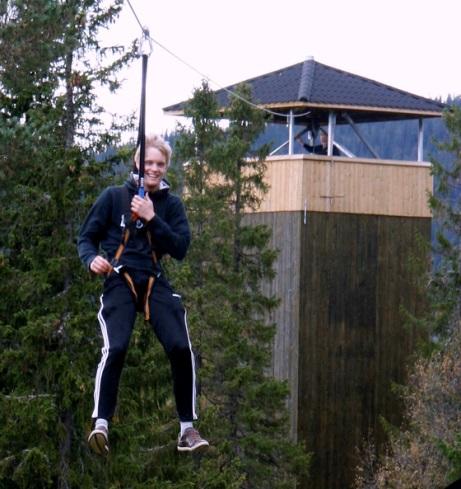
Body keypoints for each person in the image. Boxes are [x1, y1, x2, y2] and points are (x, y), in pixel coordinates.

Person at [78, 133, 209, 456]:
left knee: (181, 346)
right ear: (137, 163)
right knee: (116, 346)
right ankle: (101, 423)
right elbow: (86, 237)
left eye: (159, 164)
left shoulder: (170, 204)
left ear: (166, 167)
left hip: (153, 279)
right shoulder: (113, 197)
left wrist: (152, 218)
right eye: (148, 162)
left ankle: (187, 429)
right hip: (119, 278)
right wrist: (91, 259)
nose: (153, 169)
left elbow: (179, 248)